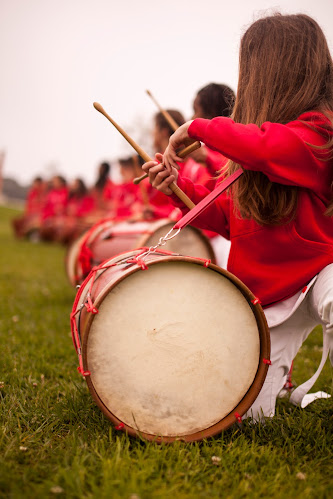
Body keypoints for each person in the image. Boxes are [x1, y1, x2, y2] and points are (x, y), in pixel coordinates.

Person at [142, 13, 333, 420]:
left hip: (321, 273)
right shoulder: (247, 149)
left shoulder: (319, 135)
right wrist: (180, 190)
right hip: (270, 297)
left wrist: (198, 127)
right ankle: (279, 384)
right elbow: (227, 217)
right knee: (250, 418)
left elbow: (271, 148)